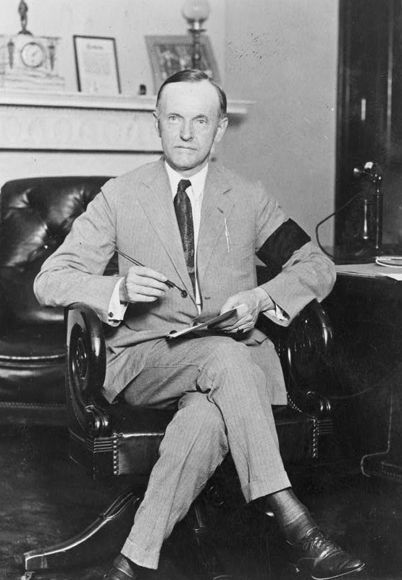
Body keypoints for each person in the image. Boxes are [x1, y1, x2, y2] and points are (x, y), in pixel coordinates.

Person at [34, 69, 365, 580]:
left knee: (205, 420)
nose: (186, 133)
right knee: (225, 355)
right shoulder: (120, 196)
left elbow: (315, 265)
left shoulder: (248, 198)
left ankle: (130, 563)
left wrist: (262, 297)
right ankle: (296, 522)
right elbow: (50, 279)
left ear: (220, 128)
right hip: (149, 362)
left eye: (200, 120)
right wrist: (114, 290)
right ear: (157, 124)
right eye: (174, 119)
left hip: (229, 377)